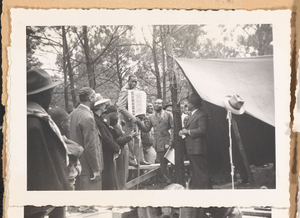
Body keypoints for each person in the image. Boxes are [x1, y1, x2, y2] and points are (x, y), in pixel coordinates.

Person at [26, 68, 70, 218]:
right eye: (50, 92)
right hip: (44, 203)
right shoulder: (33, 125)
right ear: (44, 95)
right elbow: (40, 171)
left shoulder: (36, 118)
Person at [69, 87, 103, 191]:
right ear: (90, 98)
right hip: (88, 169)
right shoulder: (88, 117)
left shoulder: (71, 114)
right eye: (95, 97)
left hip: (75, 166)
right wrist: (96, 169)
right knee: (90, 204)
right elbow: (91, 146)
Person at [179, 93, 212, 189]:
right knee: (195, 172)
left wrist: (188, 131)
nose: (186, 105)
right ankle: (200, 190)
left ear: (193, 104)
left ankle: (207, 191)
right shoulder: (192, 115)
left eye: (188, 103)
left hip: (197, 148)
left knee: (200, 172)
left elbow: (202, 130)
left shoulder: (201, 115)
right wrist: (183, 132)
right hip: (191, 148)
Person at [137, 99, 174, 183]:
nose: (157, 105)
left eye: (159, 103)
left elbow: (173, 128)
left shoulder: (168, 114)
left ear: (162, 105)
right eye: (155, 103)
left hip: (168, 142)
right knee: (163, 164)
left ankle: (175, 180)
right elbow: (146, 129)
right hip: (158, 143)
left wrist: (171, 141)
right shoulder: (151, 117)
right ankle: (167, 182)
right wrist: (139, 123)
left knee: (173, 162)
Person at [116, 75, 150, 166]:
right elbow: (120, 107)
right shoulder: (124, 91)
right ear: (128, 81)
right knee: (129, 140)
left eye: (136, 82)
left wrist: (142, 114)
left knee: (138, 139)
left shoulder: (135, 91)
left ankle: (140, 159)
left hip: (135, 119)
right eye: (132, 81)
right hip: (126, 119)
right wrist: (131, 117)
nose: (134, 83)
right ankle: (130, 160)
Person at [48, 108, 83, 190]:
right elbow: (77, 151)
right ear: (62, 124)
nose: (69, 126)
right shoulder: (58, 142)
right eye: (68, 122)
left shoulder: (61, 138)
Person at [105, 105, 139, 189]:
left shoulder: (116, 124)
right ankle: (120, 189)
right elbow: (118, 141)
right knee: (120, 174)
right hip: (119, 153)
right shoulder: (112, 125)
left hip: (122, 152)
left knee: (122, 174)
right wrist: (130, 136)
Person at [92, 94, 120, 190]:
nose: (105, 105)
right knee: (108, 182)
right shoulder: (96, 120)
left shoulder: (99, 119)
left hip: (107, 153)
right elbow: (105, 138)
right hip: (105, 154)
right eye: (103, 104)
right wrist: (116, 148)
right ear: (99, 106)